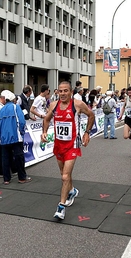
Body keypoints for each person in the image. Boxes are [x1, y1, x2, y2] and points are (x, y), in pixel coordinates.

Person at [41, 81, 95, 220]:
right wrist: (44, 132)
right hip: (59, 144)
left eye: (66, 91)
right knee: (63, 173)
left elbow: (91, 115)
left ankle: (61, 208)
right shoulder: (53, 105)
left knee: (65, 176)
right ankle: (72, 191)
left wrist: (87, 132)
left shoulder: (77, 104)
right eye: (60, 91)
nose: (63, 93)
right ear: (57, 92)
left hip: (72, 145)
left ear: (71, 92)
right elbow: (46, 119)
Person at [0, 90, 31, 185]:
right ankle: (21, 177)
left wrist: (0, 135)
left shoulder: (0, 110)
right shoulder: (16, 107)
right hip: (16, 137)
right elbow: (22, 121)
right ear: (13, 99)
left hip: (4, 138)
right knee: (19, 157)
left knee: (5, 158)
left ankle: (6, 179)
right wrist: (21, 132)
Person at [0, 93, 17, 178]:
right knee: (4, 153)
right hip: (3, 133)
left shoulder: (0, 107)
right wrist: (0, 134)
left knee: (5, 153)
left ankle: (7, 172)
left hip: (2, 133)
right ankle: (3, 171)